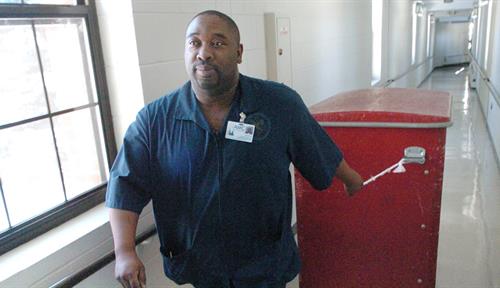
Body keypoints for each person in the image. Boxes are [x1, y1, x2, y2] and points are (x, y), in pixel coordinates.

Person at [106, 10, 364, 288]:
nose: (204, 53)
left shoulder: (279, 104)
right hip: (198, 266)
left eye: (217, 43)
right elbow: (124, 184)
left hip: (264, 265)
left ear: (239, 53)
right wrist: (124, 252)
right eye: (194, 43)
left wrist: (351, 178)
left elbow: (317, 147)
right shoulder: (155, 120)